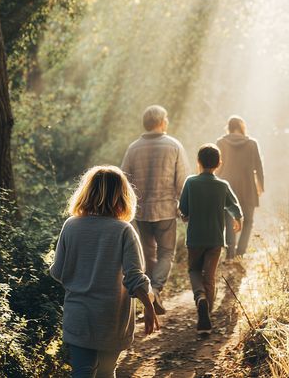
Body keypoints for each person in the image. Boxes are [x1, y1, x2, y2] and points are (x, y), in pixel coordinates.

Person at [50, 166, 159, 378]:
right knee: (107, 372)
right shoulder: (123, 230)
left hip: (79, 314)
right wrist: (149, 306)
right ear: (122, 196)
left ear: (86, 192)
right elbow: (135, 278)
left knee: (82, 372)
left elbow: (58, 272)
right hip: (112, 317)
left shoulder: (70, 226)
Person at [121, 105, 189, 314]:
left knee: (148, 255)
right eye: (166, 119)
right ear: (161, 122)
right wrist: (185, 208)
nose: (167, 121)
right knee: (166, 252)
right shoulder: (174, 146)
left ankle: (150, 293)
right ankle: (157, 289)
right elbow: (183, 181)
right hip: (166, 210)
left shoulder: (133, 148)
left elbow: (123, 180)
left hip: (141, 212)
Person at [179, 143, 243, 333]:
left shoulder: (190, 182)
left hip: (195, 238)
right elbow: (234, 207)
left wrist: (184, 215)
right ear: (219, 164)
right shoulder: (223, 185)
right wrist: (238, 219)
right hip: (215, 239)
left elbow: (184, 209)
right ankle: (206, 316)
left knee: (194, 270)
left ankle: (200, 298)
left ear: (198, 162)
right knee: (210, 276)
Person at [217, 115, 264, 260]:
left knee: (228, 219)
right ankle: (240, 254)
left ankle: (230, 255)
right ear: (242, 127)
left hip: (226, 187)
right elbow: (259, 167)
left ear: (229, 128)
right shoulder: (252, 143)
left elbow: (216, 165)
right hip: (248, 187)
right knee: (248, 221)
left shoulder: (221, 143)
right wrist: (260, 186)